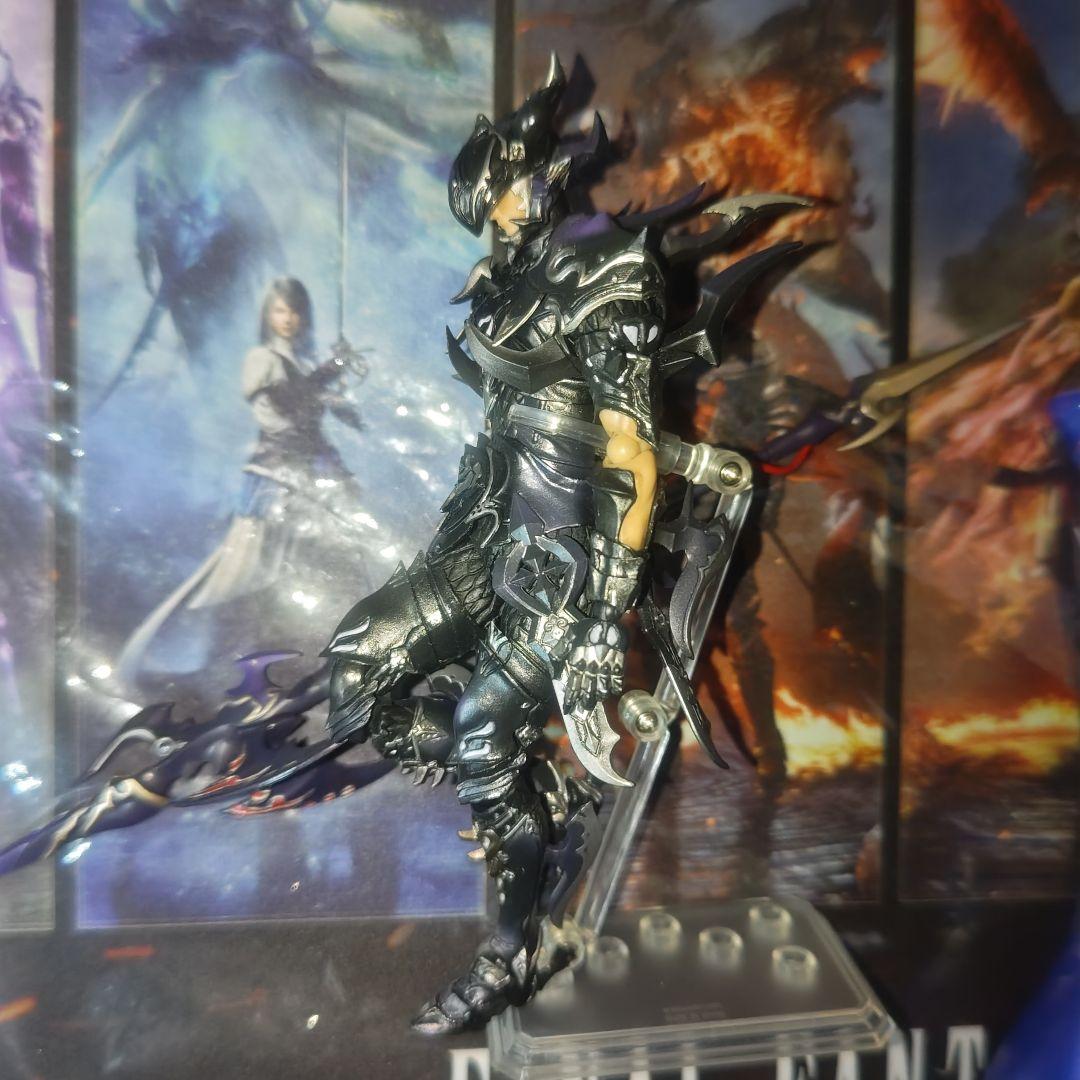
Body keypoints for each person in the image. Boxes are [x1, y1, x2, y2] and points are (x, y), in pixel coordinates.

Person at [117, 277, 368, 691]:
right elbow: (281, 411)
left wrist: (340, 460)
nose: (288, 318)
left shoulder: (302, 362)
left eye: (295, 310)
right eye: (280, 310)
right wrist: (326, 374)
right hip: (271, 481)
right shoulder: (261, 359)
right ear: (268, 315)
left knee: (295, 573)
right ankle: (209, 664)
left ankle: (282, 666)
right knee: (244, 572)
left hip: (305, 483)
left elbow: (313, 425)